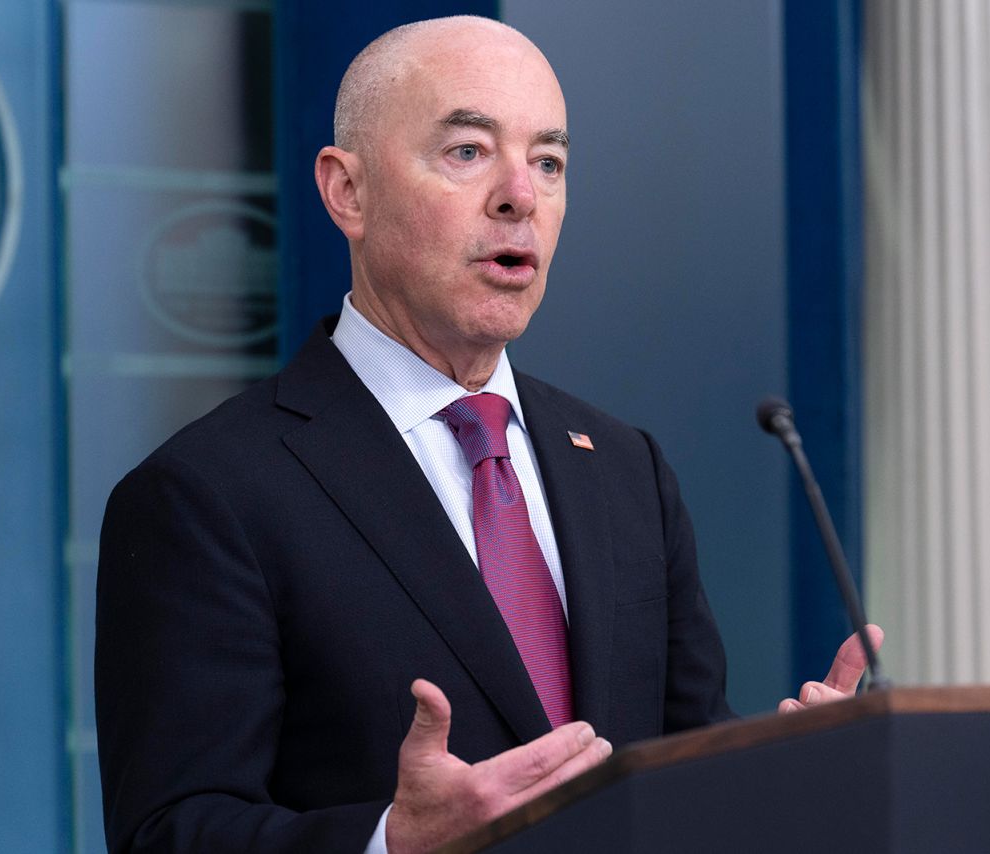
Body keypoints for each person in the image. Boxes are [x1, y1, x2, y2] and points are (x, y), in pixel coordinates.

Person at [94, 15, 883, 854]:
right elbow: (169, 832)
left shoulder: (625, 470)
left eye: (549, 162)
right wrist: (391, 843)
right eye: (468, 152)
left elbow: (679, 772)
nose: (521, 195)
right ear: (346, 192)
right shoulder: (207, 495)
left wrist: (786, 776)